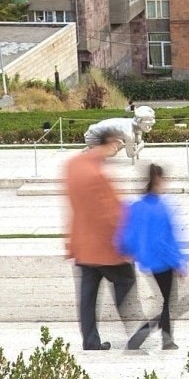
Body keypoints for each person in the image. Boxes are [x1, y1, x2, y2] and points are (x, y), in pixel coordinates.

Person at [65, 129, 139, 351]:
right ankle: (137, 334)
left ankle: (90, 340)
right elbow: (110, 214)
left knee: (87, 295)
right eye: (117, 145)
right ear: (110, 143)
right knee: (125, 281)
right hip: (104, 247)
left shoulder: (73, 165)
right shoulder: (97, 175)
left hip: (82, 242)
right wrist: (127, 245)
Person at [118, 165, 188, 351]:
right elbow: (167, 238)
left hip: (148, 262)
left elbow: (128, 233)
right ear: (158, 180)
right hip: (164, 262)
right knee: (168, 303)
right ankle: (152, 337)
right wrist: (178, 262)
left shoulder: (138, 206)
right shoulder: (161, 208)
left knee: (166, 303)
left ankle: (163, 339)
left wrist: (127, 251)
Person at [82, 106, 156, 163]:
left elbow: (137, 138)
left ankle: (94, 149)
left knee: (119, 144)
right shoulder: (129, 132)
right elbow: (130, 155)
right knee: (113, 151)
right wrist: (140, 147)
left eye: (153, 119)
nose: (153, 122)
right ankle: (91, 153)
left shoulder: (132, 123)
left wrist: (138, 138)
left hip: (98, 134)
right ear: (139, 121)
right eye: (149, 120)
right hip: (93, 137)